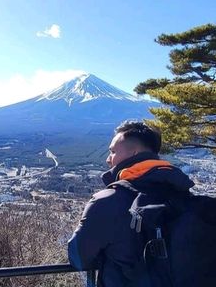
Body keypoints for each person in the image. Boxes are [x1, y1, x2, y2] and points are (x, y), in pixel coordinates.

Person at [67, 120, 194, 287]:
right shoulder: (184, 195)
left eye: (112, 152)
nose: (108, 159)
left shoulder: (107, 201)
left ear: (134, 154)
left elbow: (78, 258)